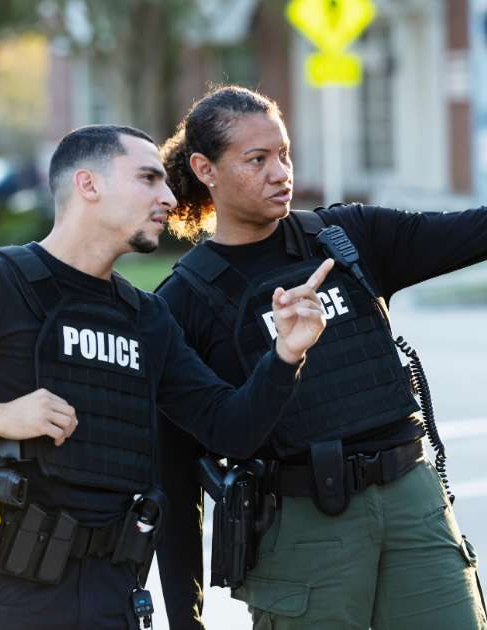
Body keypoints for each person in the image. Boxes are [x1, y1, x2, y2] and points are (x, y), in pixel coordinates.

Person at [0, 124, 332, 630]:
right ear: (89, 185)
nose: (170, 197)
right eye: (149, 179)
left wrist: (286, 355)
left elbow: (230, 429)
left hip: (116, 593)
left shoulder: (147, 318)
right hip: (10, 593)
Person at [155, 85, 487, 629]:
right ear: (205, 169)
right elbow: (173, 475)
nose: (280, 172)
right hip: (303, 531)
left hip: (412, 503)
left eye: (283, 153)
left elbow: (474, 230)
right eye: (256, 160)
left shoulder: (347, 237)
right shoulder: (182, 302)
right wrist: (186, 617)